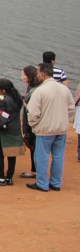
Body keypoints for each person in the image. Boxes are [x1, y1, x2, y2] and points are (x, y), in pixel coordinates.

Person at [25, 63, 76, 192]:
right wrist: (65, 121)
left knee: (41, 157)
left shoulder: (40, 90)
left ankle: (42, 183)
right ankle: (56, 183)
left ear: (43, 74)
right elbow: (71, 109)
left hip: (45, 130)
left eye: (37, 73)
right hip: (61, 129)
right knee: (58, 156)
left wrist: (34, 125)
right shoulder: (64, 89)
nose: (36, 75)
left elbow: (32, 112)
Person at [19, 65, 40, 179]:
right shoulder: (31, 87)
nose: (21, 77)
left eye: (23, 74)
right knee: (33, 146)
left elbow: (31, 105)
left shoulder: (34, 90)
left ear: (28, 76)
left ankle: (35, 170)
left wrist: (23, 102)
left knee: (34, 145)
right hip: (30, 121)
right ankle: (34, 169)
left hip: (33, 122)